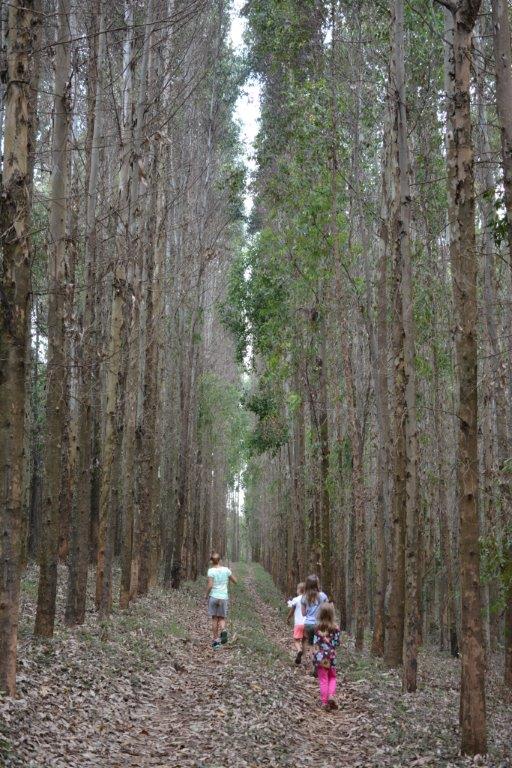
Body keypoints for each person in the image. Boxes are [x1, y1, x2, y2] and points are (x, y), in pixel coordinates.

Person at [205, 552, 237, 649]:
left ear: (211, 561)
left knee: (214, 618)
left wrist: (206, 594)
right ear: (219, 560)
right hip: (223, 597)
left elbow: (210, 585)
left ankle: (216, 641)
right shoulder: (226, 570)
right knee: (222, 618)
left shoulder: (210, 571)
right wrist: (230, 573)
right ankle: (223, 630)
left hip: (214, 597)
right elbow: (235, 581)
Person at [313, 602, 340, 710]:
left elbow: (315, 642)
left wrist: (314, 654)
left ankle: (324, 702)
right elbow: (337, 643)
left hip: (321, 656)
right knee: (332, 677)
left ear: (320, 613)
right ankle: (331, 696)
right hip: (331, 656)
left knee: (323, 679)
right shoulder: (336, 628)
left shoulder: (317, 627)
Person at [301, 574, 328, 648]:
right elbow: (327, 609)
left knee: (311, 645)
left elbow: (303, 614)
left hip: (308, 624)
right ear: (317, 585)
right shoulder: (323, 595)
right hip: (320, 624)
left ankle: (312, 655)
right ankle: (318, 655)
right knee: (319, 645)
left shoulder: (304, 597)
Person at [286, 582, 305, 665]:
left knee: (296, 640)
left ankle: (299, 650)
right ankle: (304, 656)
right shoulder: (308, 599)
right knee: (305, 640)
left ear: (299, 590)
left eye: (297, 589)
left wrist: (288, 618)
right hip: (307, 623)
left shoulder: (296, 599)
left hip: (298, 624)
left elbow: (291, 608)